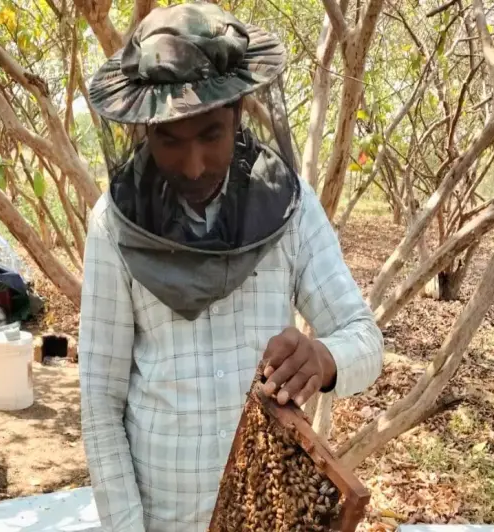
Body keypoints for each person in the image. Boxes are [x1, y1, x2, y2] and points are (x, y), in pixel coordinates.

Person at [78, 4, 383, 531]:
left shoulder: (290, 207)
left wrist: (324, 357)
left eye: (210, 135)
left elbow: (366, 340)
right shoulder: (113, 225)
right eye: (170, 139)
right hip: (162, 516)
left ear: (239, 113)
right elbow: (101, 403)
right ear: (144, 129)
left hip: (271, 516)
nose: (192, 164)